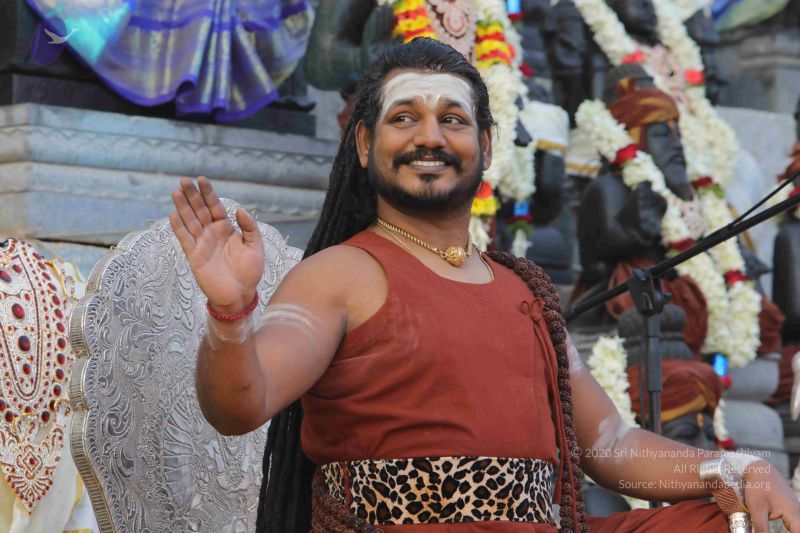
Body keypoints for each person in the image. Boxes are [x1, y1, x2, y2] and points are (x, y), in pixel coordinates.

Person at [168, 39, 800, 532]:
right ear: (363, 142)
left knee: (739, 520)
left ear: (487, 145)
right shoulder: (339, 274)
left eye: (452, 119)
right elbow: (239, 406)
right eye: (404, 118)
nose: (429, 137)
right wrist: (232, 312)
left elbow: (608, 443)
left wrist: (731, 466)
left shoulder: (523, 286)